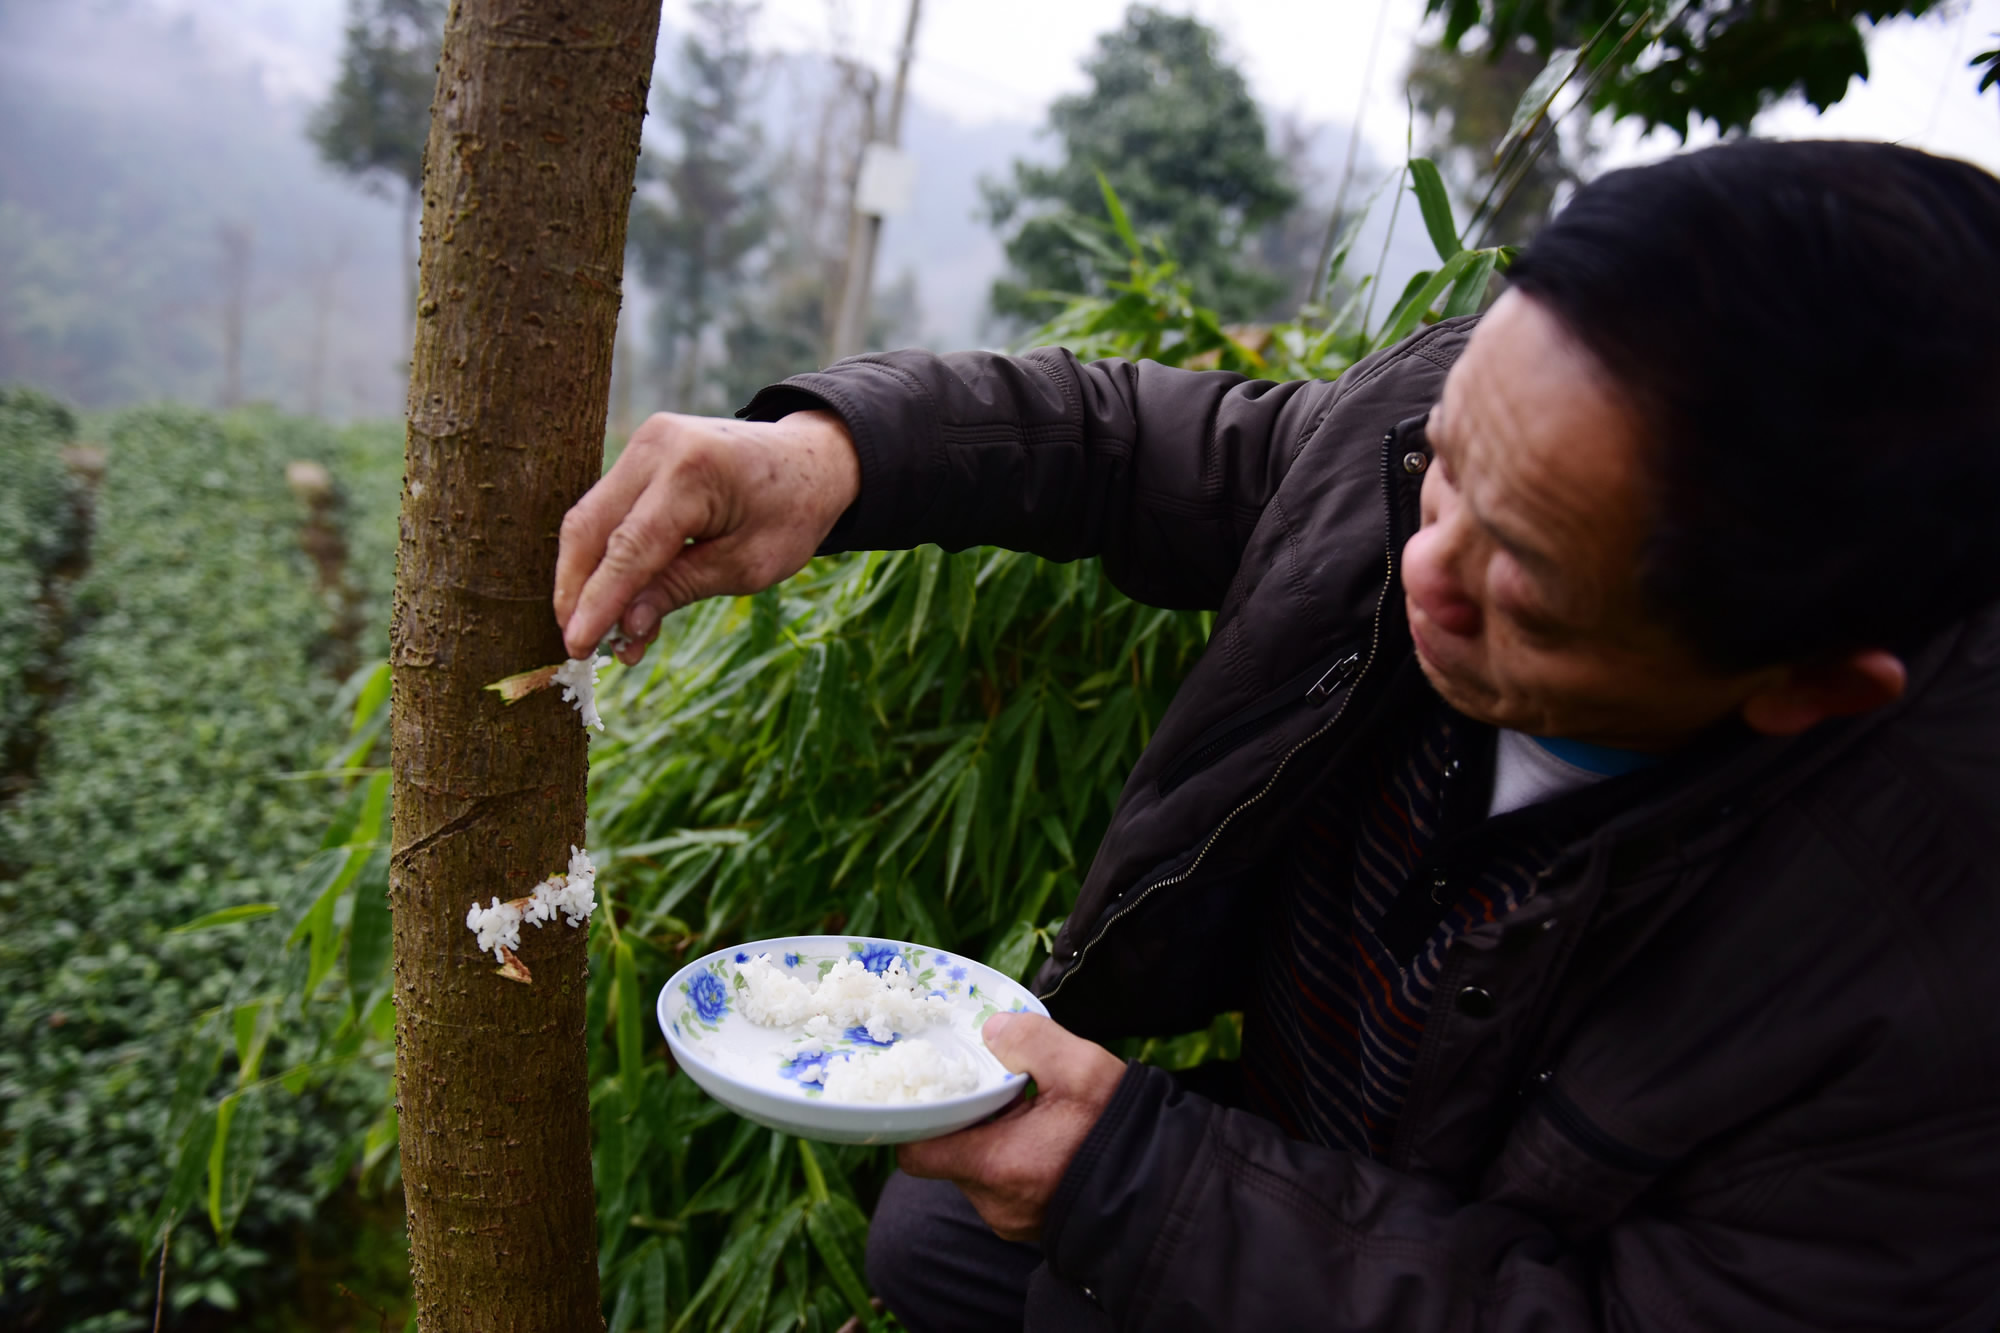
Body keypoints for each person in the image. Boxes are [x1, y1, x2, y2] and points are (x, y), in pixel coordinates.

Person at [553, 140, 2000, 1330]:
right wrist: (829, 456)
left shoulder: (1931, 987)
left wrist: (1132, 1179)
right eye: (1441, 475)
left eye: (1529, 592)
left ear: (1811, 684)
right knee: (938, 1235)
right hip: (1329, 1143)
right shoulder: (1466, 437)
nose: (1421, 564)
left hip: (1486, 1258)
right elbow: (1135, 443)